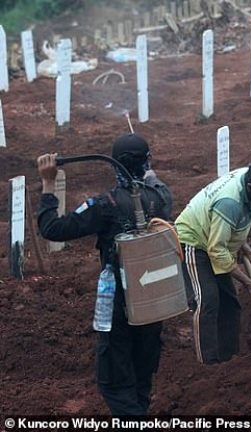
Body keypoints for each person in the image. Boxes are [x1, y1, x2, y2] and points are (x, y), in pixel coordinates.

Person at [37, 134, 173, 415]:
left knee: (113, 382)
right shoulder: (161, 198)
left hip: (119, 309)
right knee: (141, 377)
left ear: (114, 166)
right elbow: (154, 181)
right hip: (154, 303)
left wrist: (48, 184)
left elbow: (52, 229)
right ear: (146, 162)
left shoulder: (104, 205)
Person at [174, 160, 251, 364]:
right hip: (193, 241)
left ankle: (230, 361)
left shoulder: (249, 177)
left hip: (214, 236)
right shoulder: (230, 203)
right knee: (207, 300)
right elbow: (216, 249)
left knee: (230, 303)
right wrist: (249, 284)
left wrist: (239, 240)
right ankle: (208, 365)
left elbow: (237, 218)